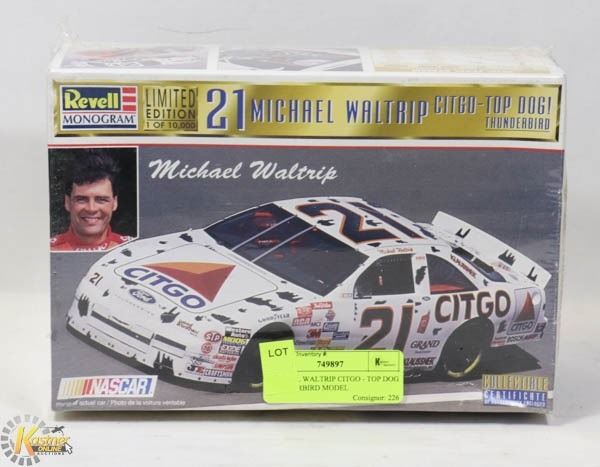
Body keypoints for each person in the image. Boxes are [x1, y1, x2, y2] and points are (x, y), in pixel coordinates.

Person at [51, 154, 132, 251]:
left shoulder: (134, 249)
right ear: (67, 202)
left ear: (115, 202)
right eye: (81, 199)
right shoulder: (48, 250)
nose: (91, 209)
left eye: (101, 199)